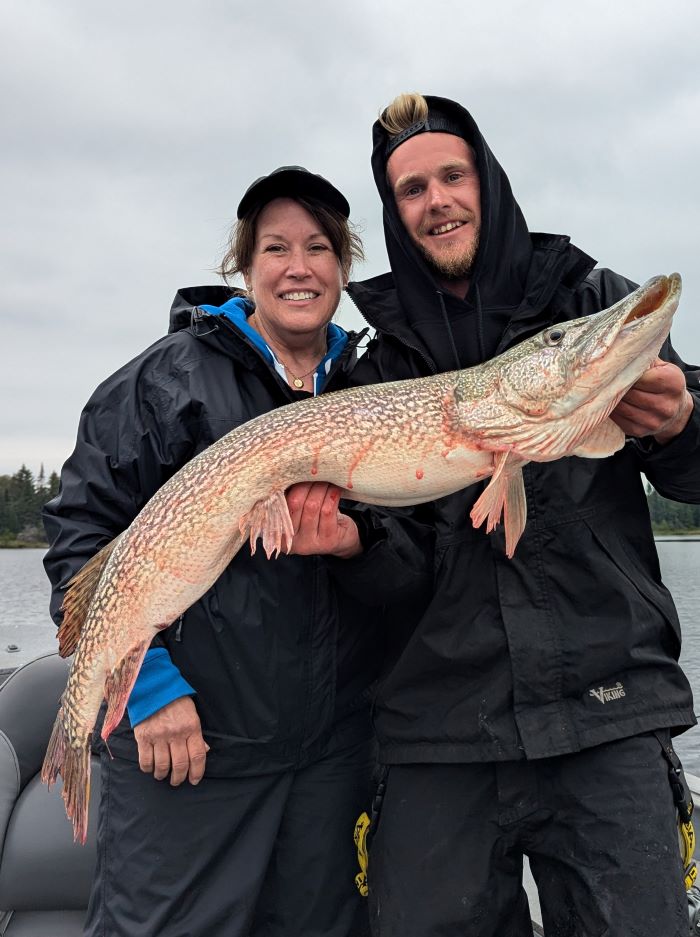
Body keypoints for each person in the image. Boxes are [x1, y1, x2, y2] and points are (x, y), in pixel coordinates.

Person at [345, 93, 700, 937]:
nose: (437, 201)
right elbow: (388, 575)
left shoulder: (590, 302)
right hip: (437, 735)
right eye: (412, 189)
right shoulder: (375, 367)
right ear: (396, 213)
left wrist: (685, 422)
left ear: (487, 180)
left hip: (608, 710)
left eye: (452, 175)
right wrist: (350, 541)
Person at [42, 166, 430, 937]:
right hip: (189, 755)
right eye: (275, 247)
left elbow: (412, 570)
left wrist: (356, 544)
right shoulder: (165, 380)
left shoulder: (373, 386)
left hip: (328, 760)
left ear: (342, 266)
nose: (298, 266)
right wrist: (147, 689)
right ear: (245, 267)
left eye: (319, 247)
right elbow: (80, 542)